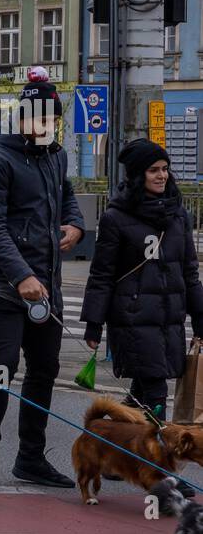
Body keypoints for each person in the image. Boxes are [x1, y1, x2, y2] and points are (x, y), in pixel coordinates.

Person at [0, 72, 84, 492]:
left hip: (46, 283)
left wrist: (75, 223)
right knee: (2, 367)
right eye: (36, 116)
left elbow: (65, 192)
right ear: (22, 116)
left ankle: (30, 457)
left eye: (51, 117)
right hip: (2, 284)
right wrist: (21, 276)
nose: (44, 124)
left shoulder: (55, 155)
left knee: (45, 369)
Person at [82, 140, 203, 427]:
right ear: (138, 175)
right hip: (132, 319)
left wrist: (200, 319)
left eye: (165, 169)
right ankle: (151, 462)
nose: (162, 176)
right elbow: (102, 274)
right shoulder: (115, 218)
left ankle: (111, 448)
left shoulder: (178, 217)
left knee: (140, 394)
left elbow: (190, 272)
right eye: (153, 170)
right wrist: (93, 323)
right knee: (155, 392)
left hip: (169, 319)